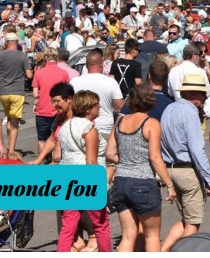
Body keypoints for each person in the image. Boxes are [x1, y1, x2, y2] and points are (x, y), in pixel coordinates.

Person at [105, 85, 175, 252]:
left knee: (128, 235)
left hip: (121, 181)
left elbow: (109, 153)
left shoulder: (120, 121)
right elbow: (155, 157)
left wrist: (126, 161)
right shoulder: (151, 123)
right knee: (151, 235)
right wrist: (169, 184)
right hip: (143, 182)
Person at [160, 73, 210, 252]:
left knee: (186, 217)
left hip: (169, 168)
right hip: (186, 171)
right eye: (203, 95)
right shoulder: (190, 113)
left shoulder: (169, 109)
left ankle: (163, 251)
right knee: (193, 222)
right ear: (194, 94)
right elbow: (196, 150)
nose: (205, 98)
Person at [56, 91, 112, 252]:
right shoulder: (89, 129)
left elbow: (59, 155)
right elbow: (91, 162)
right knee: (101, 225)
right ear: (88, 108)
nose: (99, 107)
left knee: (68, 226)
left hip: (68, 178)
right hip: (87, 180)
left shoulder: (65, 126)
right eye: (96, 105)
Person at [0, 32, 34, 155]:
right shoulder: (22, 56)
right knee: (15, 123)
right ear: (17, 42)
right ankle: (11, 150)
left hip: (3, 91)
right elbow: (29, 75)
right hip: (17, 91)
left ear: (6, 42)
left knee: (8, 118)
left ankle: (8, 146)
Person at [31, 47, 70, 155]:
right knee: (56, 138)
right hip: (58, 110)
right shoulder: (63, 73)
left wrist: (37, 101)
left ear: (45, 57)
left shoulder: (39, 73)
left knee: (42, 139)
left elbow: (35, 94)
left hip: (42, 109)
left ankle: (42, 161)